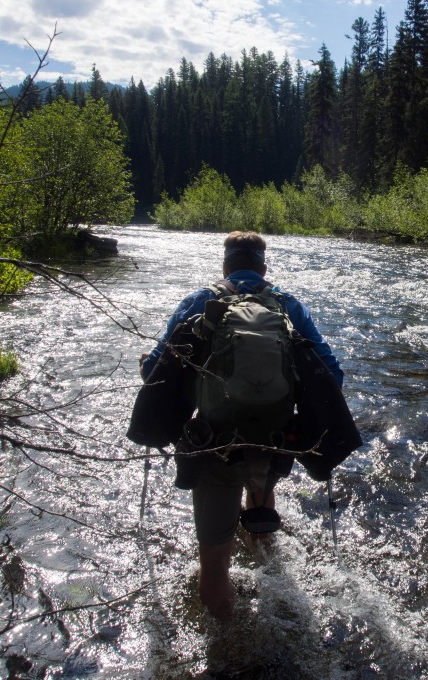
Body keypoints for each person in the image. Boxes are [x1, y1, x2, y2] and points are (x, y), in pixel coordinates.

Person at [140, 231, 343, 621]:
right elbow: (331, 374)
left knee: (214, 559)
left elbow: (156, 372)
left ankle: (227, 645)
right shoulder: (288, 305)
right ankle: (270, 577)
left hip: (215, 442)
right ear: (264, 268)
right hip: (276, 439)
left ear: (226, 266)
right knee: (262, 501)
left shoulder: (201, 301)